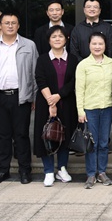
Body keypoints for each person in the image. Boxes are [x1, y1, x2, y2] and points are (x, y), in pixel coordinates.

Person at [0, 12, 39, 186]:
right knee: (3, 136)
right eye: (7, 23)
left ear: (18, 25)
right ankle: (3, 170)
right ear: (0, 25)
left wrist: (34, 96)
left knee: (21, 135)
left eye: (14, 23)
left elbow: (35, 73)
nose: (10, 26)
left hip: (21, 97)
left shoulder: (29, 45)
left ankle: (25, 170)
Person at [33, 26, 79, 187]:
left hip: (67, 102)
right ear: (49, 40)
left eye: (60, 36)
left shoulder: (73, 59)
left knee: (64, 135)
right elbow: (40, 80)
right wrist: (51, 102)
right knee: (46, 135)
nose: (57, 39)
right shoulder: (42, 59)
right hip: (45, 103)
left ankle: (62, 168)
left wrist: (59, 95)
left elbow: (73, 81)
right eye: (54, 36)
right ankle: (48, 171)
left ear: (66, 39)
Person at [75, 32, 112, 189]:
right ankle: (91, 174)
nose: (97, 47)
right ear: (89, 45)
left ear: (105, 46)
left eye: (100, 44)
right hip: (90, 109)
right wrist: (80, 111)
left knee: (104, 142)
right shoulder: (83, 65)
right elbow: (79, 89)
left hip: (107, 108)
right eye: (94, 44)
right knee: (92, 143)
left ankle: (102, 172)